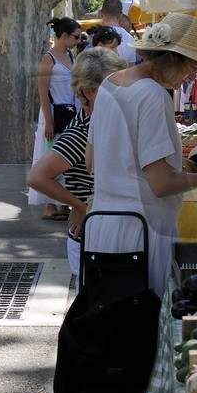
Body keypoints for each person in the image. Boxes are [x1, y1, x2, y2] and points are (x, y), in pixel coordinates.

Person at [84, 13, 197, 296]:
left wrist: (182, 166)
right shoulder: (153, 94)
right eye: (191, 66)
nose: (192, 76)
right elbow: (161, 184)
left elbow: (94, 161)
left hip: (103, 228)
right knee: (143, 325)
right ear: (171, 57)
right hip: (142, 234)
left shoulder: (110, 84)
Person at [26, 47, 126, 285]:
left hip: (101, 234)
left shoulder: (102, 121)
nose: (122, 89)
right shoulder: (83, 131)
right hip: (89, 239)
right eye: (113, 84)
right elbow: (37, 177)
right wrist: (79, 207)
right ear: (88, 92)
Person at [31, 17, 82, 221]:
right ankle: (49, 206)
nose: (79, 41)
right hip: (52, 114)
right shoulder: (48, 58)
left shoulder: (71, 55)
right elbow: (42, 92)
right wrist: (48, 121)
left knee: (64, 159)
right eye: (76, 37)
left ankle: (61, 203)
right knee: (49, 156)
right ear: (64, 35)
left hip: (69, 113)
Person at [98, 0, 142, 64]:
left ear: (101, 12)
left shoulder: (95, 37)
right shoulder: (130, 39)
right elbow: (131, 68)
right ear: (121, 15)